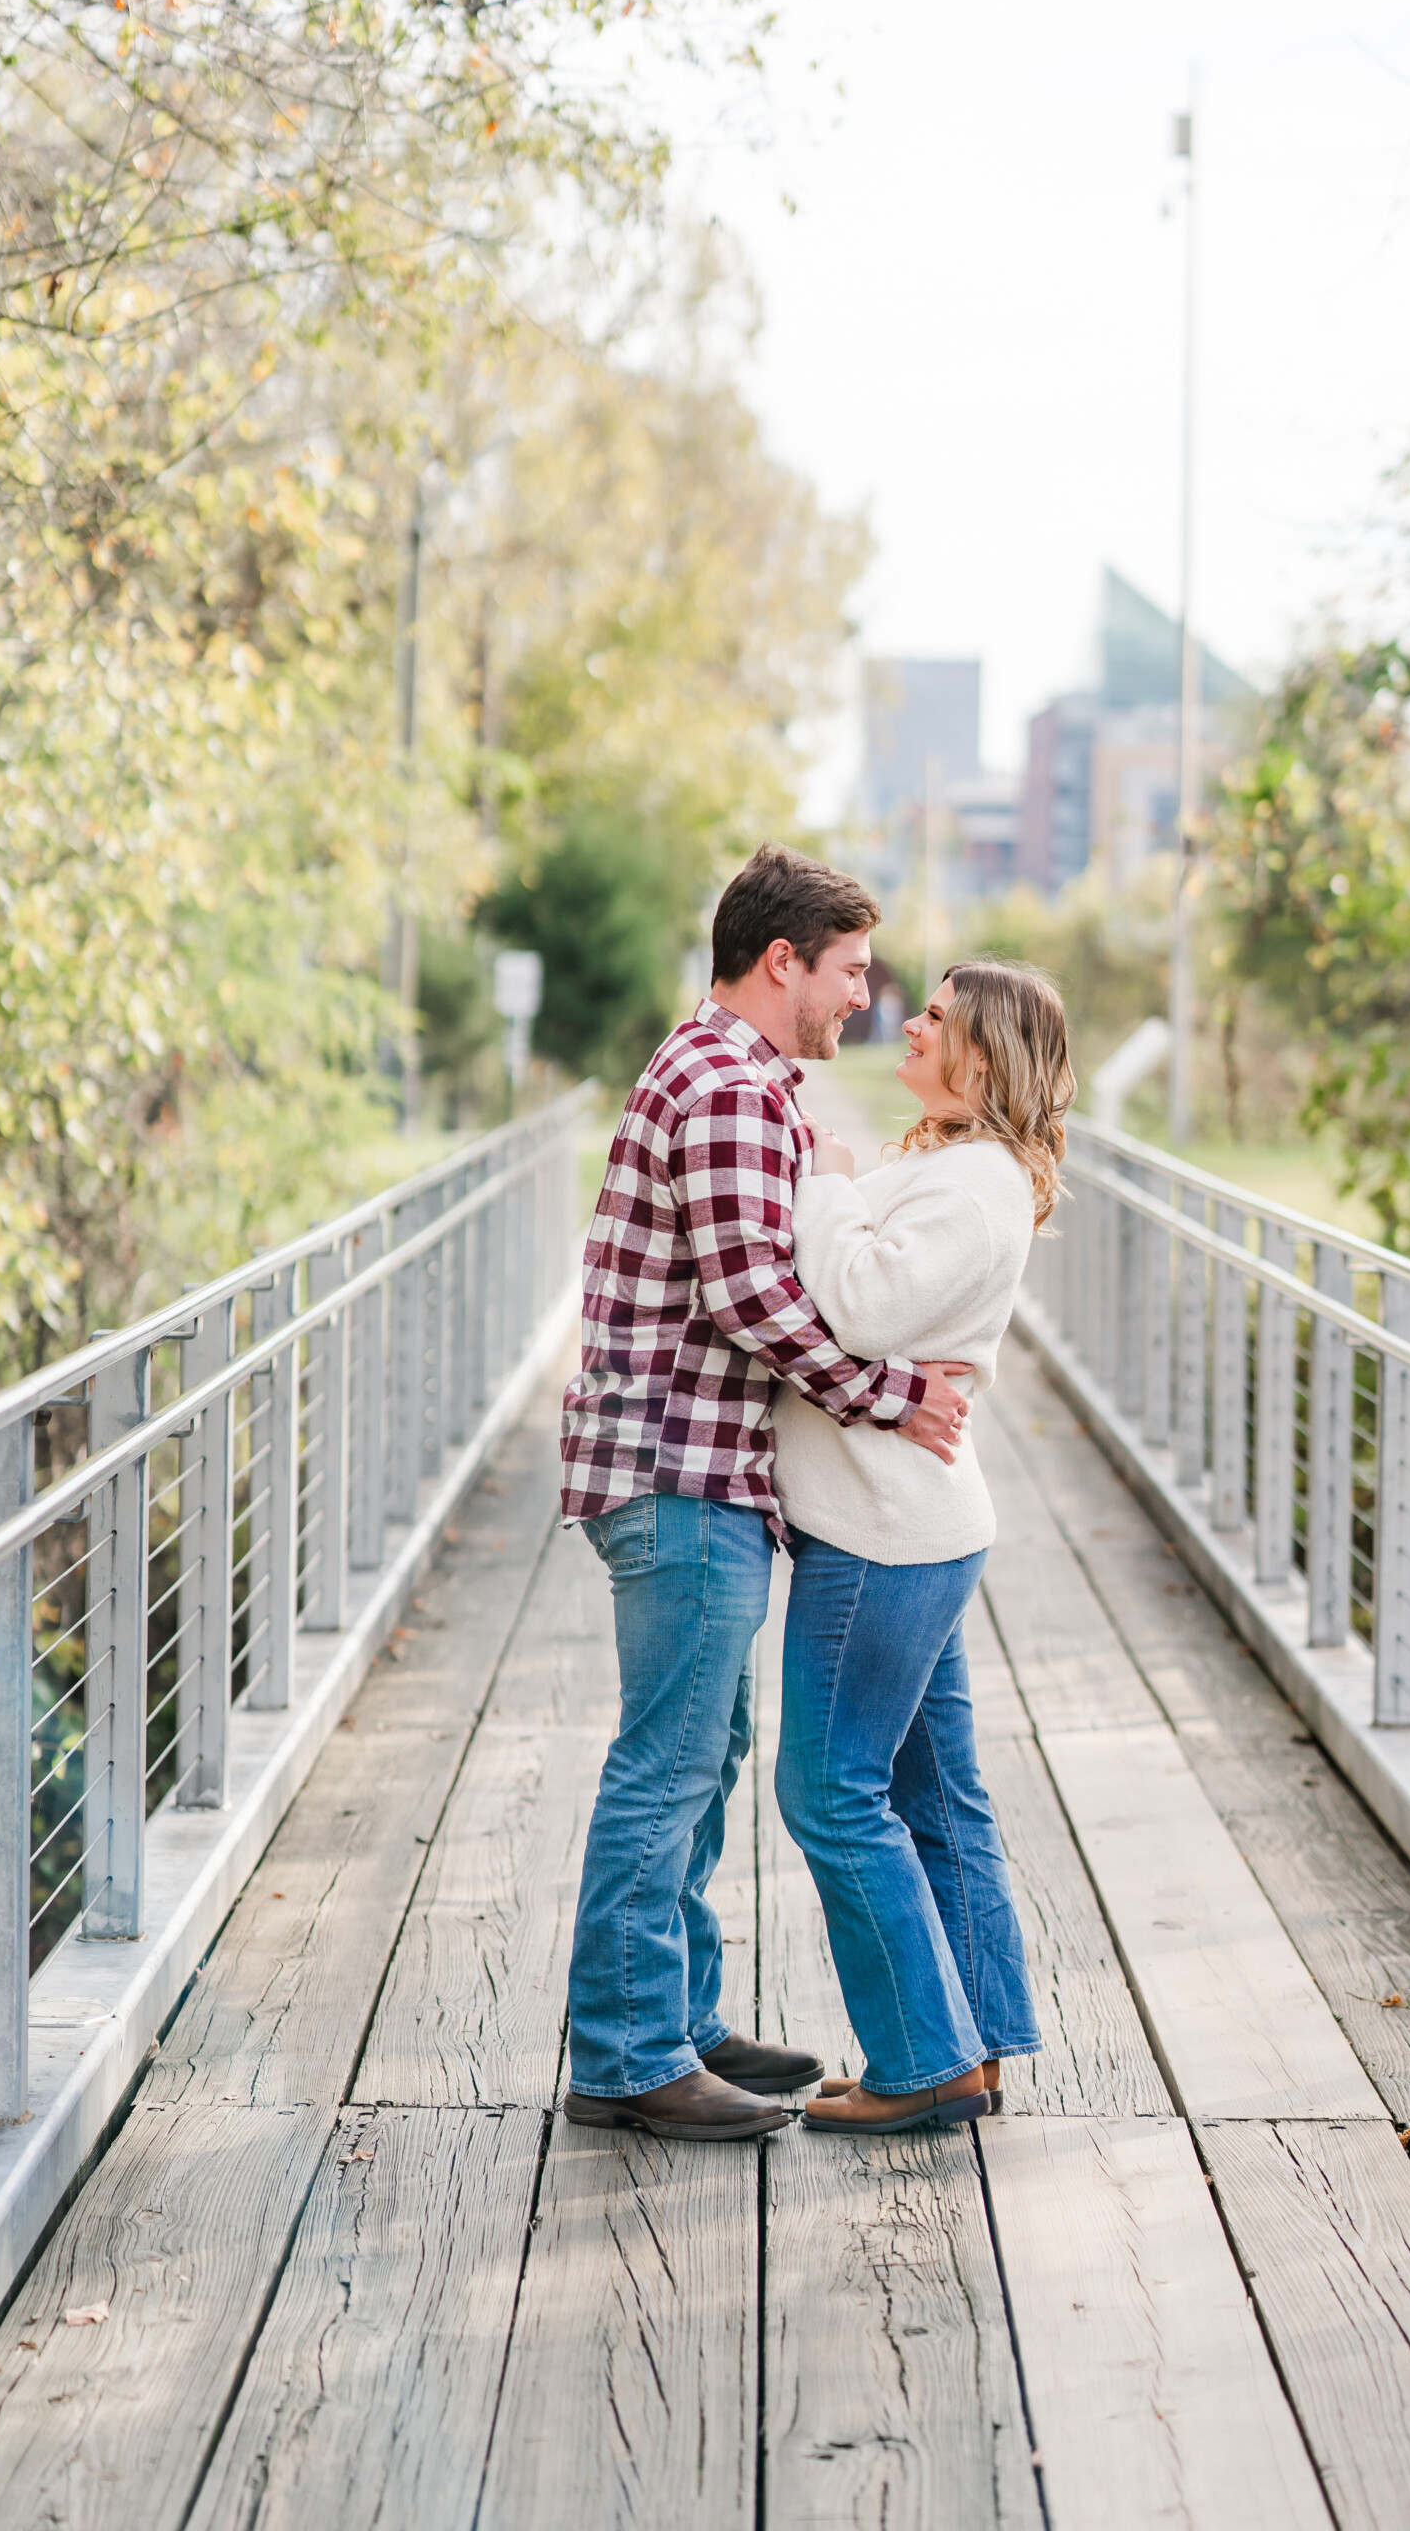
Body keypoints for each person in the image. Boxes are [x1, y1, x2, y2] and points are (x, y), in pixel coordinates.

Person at [558, 845, 973, 2142]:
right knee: (669, 1763)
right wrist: (894, 1394)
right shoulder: (731, 1088)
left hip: (694, 1470)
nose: (864, 995)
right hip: (679, 1473)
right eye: (850, 971)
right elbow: (752, 1301)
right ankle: (627, 2057)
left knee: (705, 1751)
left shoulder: (728, 1075)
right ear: (780, 962)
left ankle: (675, 2018)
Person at [773, 960, 1074, 2134]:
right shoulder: (957, 1165)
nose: (914, 1022)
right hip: (906, 1520)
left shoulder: (979, 1187)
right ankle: (977, 2042)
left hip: (884, 1536)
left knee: (830, 1788)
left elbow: (858, 1305)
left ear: (985, 1058)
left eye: (940, 1019)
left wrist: (831, 1183)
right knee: (935, 1792)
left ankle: (920, 2059)